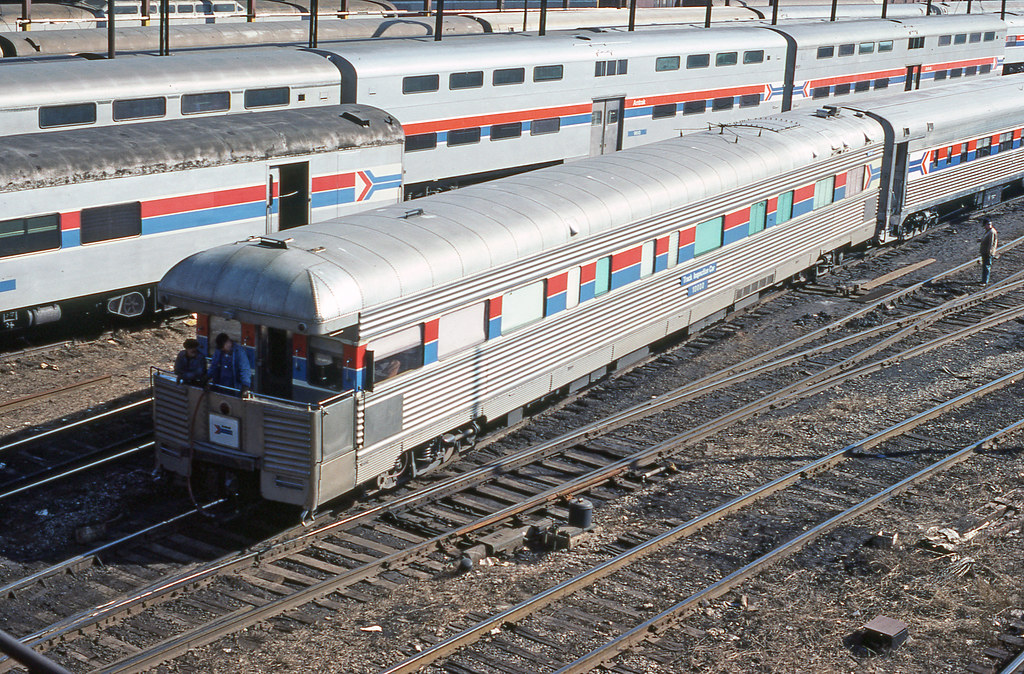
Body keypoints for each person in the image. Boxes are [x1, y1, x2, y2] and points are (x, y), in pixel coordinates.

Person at [979, 218, 998, 285]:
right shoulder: (988, 231)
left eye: (985, 226)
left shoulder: (991, 232)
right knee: (985, 266)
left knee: (986, 266)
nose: (985, 227)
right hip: (985, 252)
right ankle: (984, 280)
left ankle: (984, 281)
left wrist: (989, 252)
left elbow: (991, 243)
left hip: (987, 253)